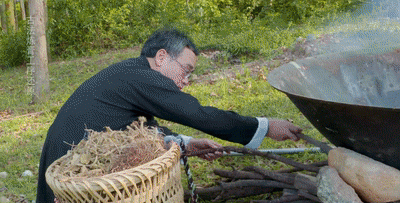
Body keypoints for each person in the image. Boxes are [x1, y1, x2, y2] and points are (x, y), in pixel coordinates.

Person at [36, 27, 302, 202]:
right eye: (186, 70)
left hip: (72, 156)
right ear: (162, 57)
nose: (186, 80)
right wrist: (264, 126)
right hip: (74, 164)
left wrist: (185, 143)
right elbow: (199, 115)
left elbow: (137, 129)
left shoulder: (133, 74)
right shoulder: (142, 77)